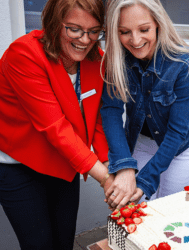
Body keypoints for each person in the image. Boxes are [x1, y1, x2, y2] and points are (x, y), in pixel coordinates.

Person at [0, 0, 113, 249]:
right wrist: (106, 180)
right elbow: (55, 127)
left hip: (64, 164)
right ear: (54, 22)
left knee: (64, 241)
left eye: (95, 31)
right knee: (39, 244)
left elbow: (98, 120)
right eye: (74, 29)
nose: (85, 40)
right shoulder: (24, 54)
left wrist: (109, 164)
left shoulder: (97, 59)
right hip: (20, 167)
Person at [101, 0, 189, 210]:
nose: (135, 40)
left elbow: (177, 131)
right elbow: (111, 112)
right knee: (135, 210)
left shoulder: (183, 62)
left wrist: (147, 180)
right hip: (141, 143)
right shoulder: (116, 60)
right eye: (124, 31)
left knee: (168, 211)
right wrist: (124, 165)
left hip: (180, 146)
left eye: (144, 29)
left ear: (158, 22)